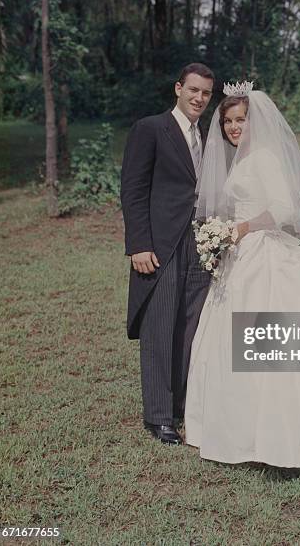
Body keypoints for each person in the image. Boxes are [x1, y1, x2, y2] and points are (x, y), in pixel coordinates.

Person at [184, 82, 300, 467]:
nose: (234, 128)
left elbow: (284, 211)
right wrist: (222, 236)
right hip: (238, 256)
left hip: (261, 253)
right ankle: (236, 428)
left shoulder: (266, 158)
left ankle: (286, 432)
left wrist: (240, 230)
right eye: (228, 122)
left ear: (256, 123)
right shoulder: (242, 159)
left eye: (241, 120)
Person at [120, 63, 214, 445]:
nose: (199, 98)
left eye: (206, 93)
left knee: (190, 326)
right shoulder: (150, 129)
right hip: (159, 245)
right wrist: (138, 244)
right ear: (178, 88)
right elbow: (133, 188)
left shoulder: (207, 134)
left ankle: (180, 406)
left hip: (200, 242)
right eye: (193, 90)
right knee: (159, 327)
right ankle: (158, 417)